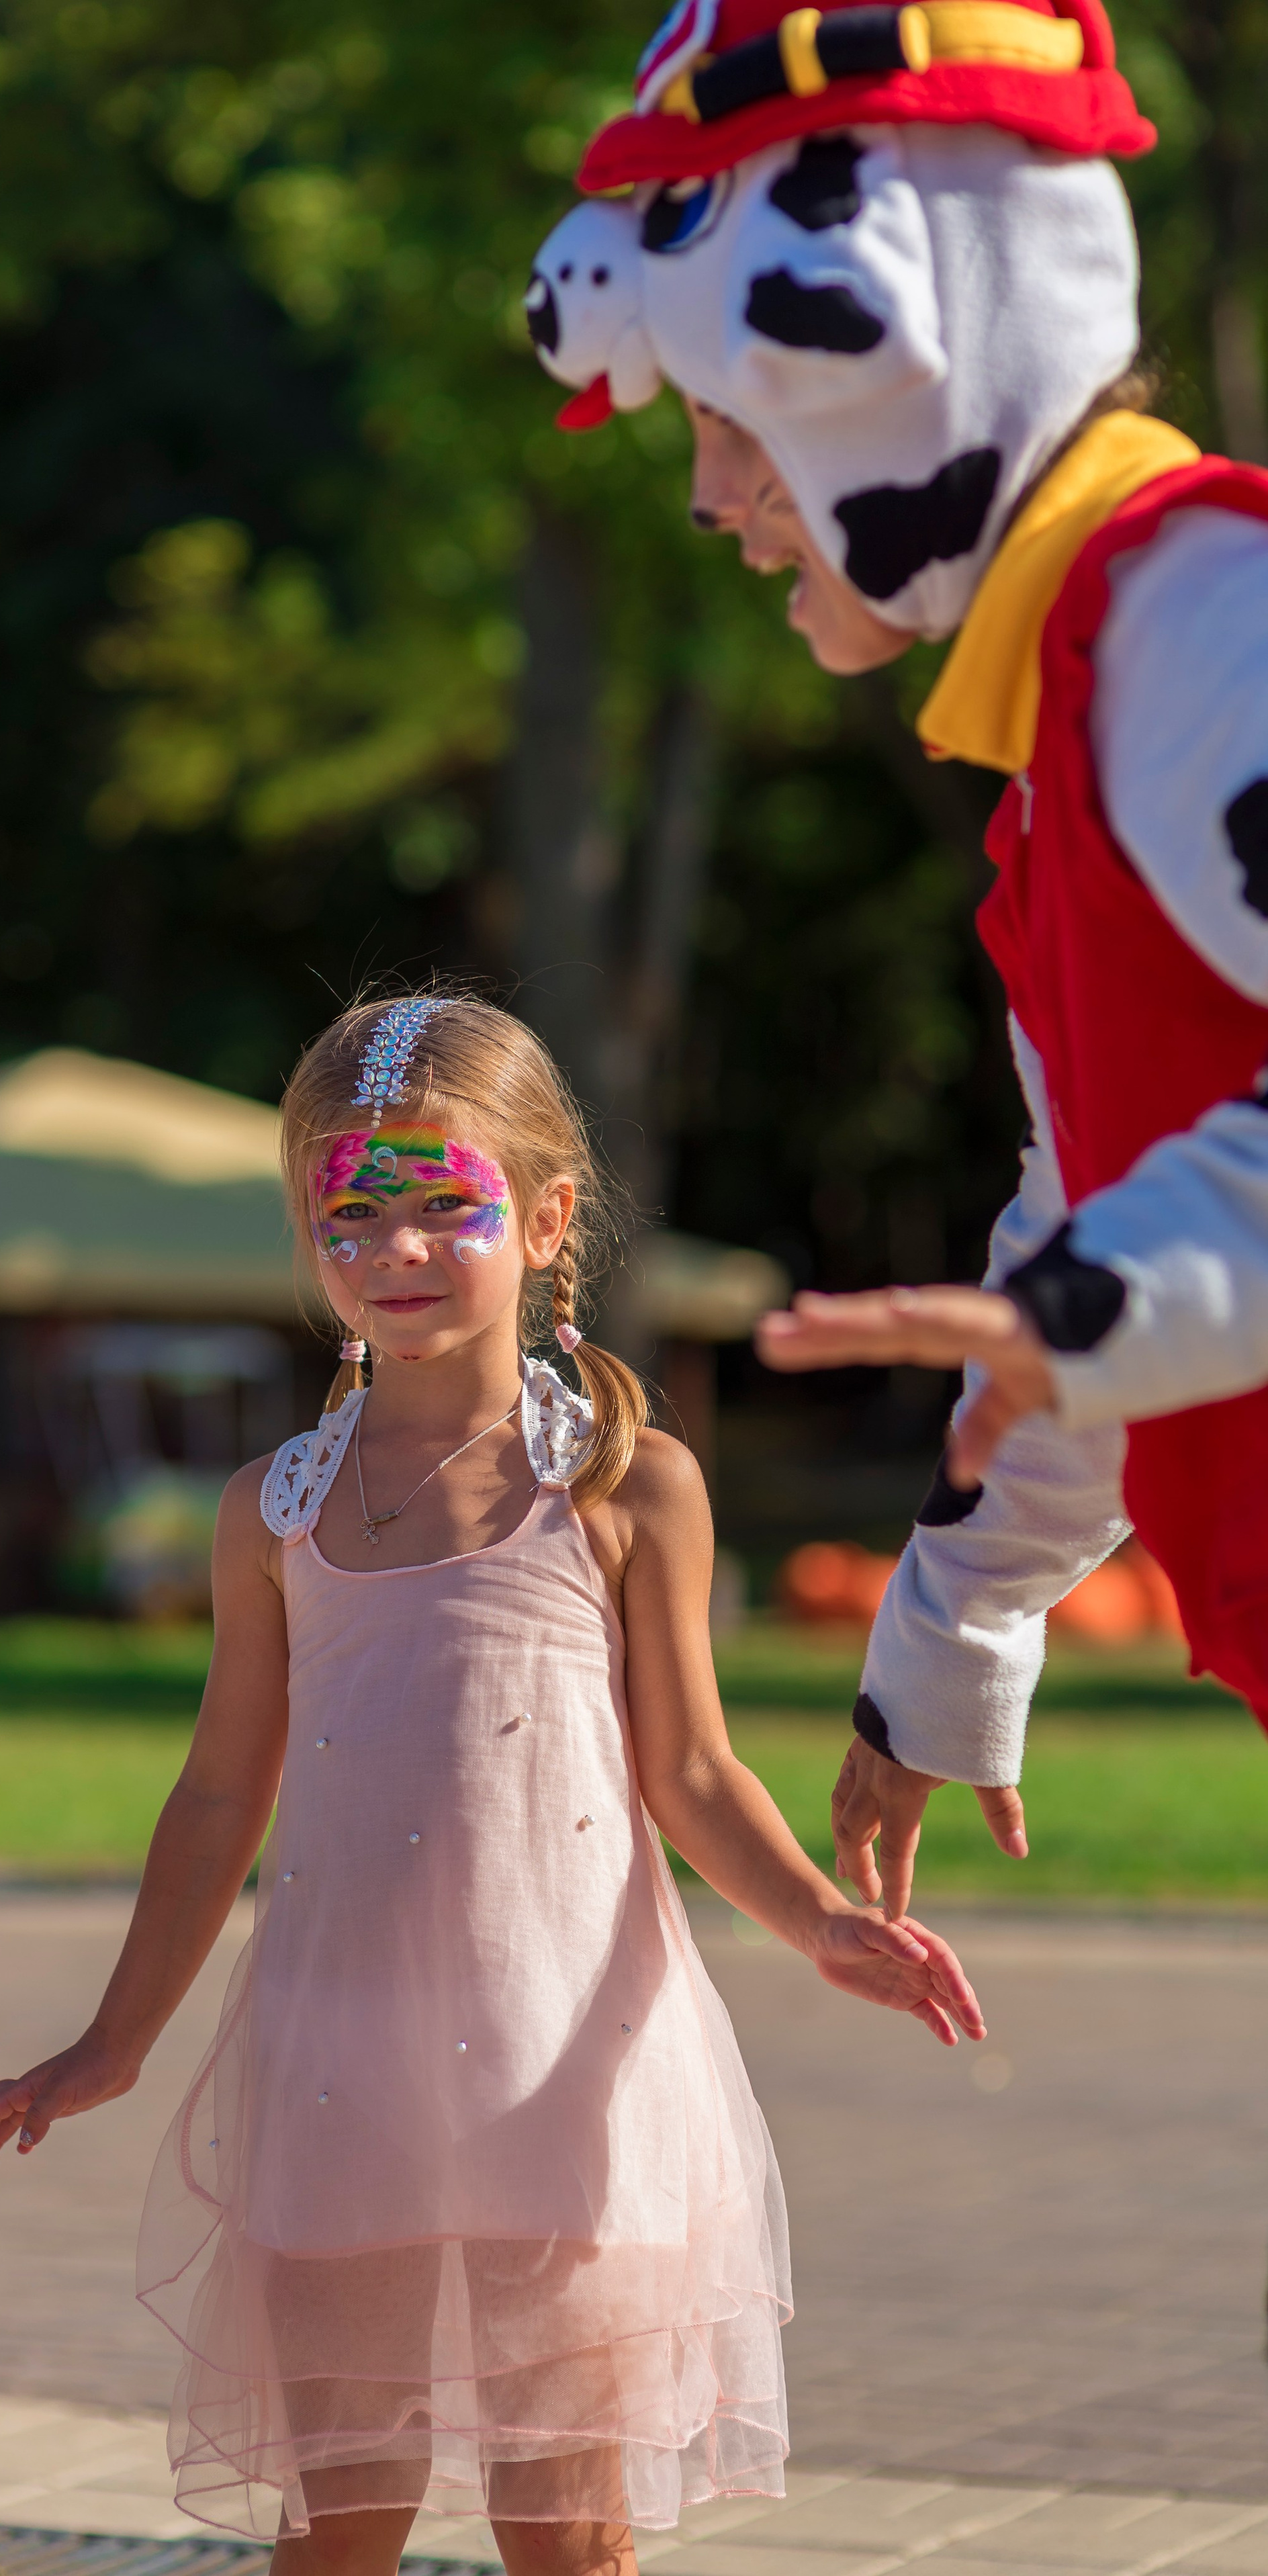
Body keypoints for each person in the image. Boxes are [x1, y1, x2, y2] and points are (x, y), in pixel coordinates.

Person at [0, 993, 984, 2576]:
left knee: (563, 2535)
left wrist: (822, 1922)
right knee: (336, 2522)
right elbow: (218, 1797)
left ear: (547, 1217)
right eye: (350, 1208)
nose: (398, 1245)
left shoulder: (624, 1487)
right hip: (331, 2067)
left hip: (561, 2074)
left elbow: (693, 1773)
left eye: (447, 1202)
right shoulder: (272, 1513)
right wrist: (113, 2039)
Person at [525, 0, 1268, 1920]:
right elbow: (1083, 1247)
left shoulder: (1199, 618)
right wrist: (951, 1630)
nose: (711, 500)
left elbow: (1121, 1273)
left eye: (727, 420)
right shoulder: (1074, 738)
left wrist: (1103, 1306)